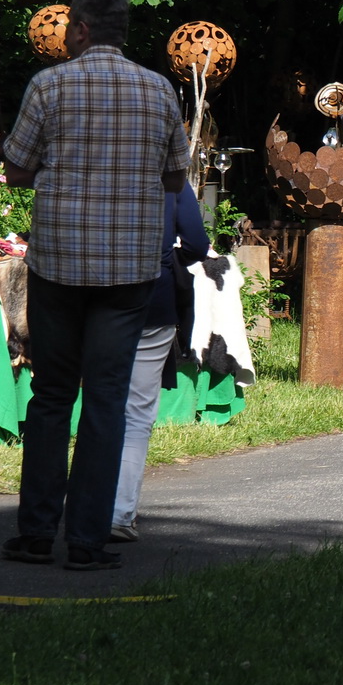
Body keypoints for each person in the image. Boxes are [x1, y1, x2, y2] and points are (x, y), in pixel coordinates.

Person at [0, 0, 188, 571]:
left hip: (58, 267)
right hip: (129, 273)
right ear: (123, 31)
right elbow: (176, 180)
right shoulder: (159, 90)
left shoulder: (48, 86)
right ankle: (86, 542)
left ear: (79, 28)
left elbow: (15, 170)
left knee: (53, 393)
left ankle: (34, 535)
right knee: (107, 399)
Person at [109, 182, 210, 543]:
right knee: (137, 413)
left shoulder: (91, 167)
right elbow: (198, 244)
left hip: (98, 298)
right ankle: (119, 513)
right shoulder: (171, 178)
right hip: (155, 297)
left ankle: (85, 509)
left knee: (99, 406)